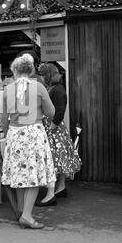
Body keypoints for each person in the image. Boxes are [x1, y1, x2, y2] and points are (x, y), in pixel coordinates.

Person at [1, 53, 56, 229]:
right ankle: (27, 216)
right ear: (31, 70)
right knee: (34, 175)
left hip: (15, 133)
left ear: (14, 71)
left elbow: (3, 119)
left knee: (19, 173)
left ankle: (21, 211)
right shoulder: (38, 87)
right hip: (34, 133)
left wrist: (7, 136)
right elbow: (52, 113)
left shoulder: (8, 89)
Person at [37, 63, 82, 206]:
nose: (42, 78)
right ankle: (61, 187)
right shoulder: (57, 88)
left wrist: (51, 128)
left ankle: (51, 194)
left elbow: (60, 112)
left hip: (54, 128)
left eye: (44, 75)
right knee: (60, 159)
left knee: (53, 161)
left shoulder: (57, 90)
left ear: (48, 75)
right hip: (58, 129)